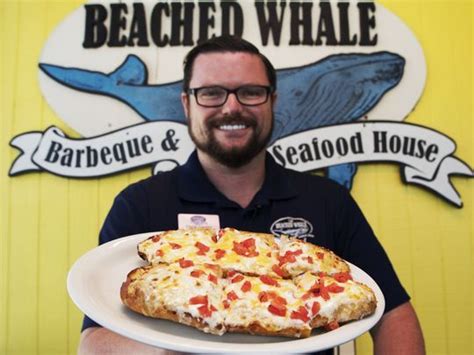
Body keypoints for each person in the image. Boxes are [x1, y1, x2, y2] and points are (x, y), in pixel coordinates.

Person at [78, 35, 425, 355]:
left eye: (250, 92)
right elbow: (94, 344)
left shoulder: (329, 199)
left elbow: (392, 313)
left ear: (272, 100)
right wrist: (191, 323)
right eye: (211, 92)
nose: (231, 107)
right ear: (186, 104)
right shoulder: (139, 203)